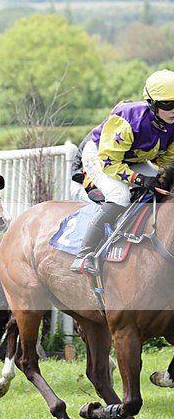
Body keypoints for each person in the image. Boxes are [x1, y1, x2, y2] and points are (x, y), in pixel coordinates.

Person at [70, 69, 174, 276]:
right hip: (101, 155)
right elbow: (110, 161)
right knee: (120, 196)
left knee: (159, 188)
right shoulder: (128, 119)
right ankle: (84, 254)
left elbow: (168, 160)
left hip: (133, 158)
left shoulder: (171, 124)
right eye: (167, 104)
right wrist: (139, 178)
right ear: (152, 103)